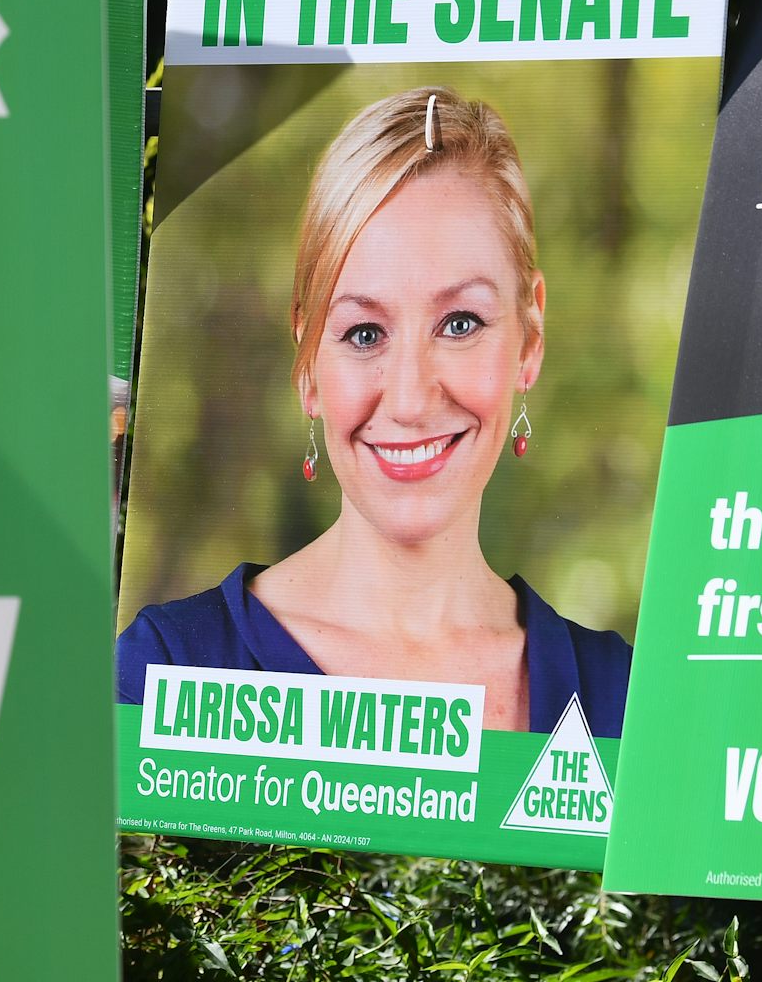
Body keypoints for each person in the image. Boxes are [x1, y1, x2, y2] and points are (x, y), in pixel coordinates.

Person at [117, 87, 631, 737]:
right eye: (364, 333)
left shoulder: (624, 702)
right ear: (308, 364)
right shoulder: (159, 675)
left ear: (529, 338)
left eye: (461, 322)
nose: (412, 399)